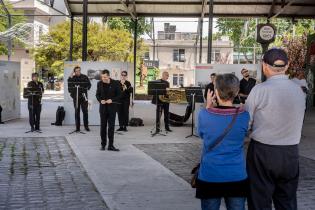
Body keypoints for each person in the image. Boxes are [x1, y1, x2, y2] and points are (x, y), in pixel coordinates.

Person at [245, 48, 305, 210]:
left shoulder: (259, 90)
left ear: (264, 66)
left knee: (259, 202)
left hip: (262, 152)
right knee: (287, 201)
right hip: (290, 153)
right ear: (287, 66)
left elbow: (245, 122)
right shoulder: (299, 91)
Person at [196, 74, 250, 210]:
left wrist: (208, 106)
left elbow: (202, 134)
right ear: (237, 91)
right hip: (236, 175)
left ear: (216, 92)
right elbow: (243, 134)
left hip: (210, 175)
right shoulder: (244, 115)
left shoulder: (204, 114)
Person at [96, 69, 122, 151]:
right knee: (103, 127)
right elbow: (97, 95)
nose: (103, 79)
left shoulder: (115, 83)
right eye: (102, 77)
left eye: (105, 77)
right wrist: (100, 100)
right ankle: (103, 145)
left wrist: (112, 100)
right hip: (103, 109)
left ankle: (111, 145)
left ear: (109, 76)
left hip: (112, 109)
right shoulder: (99, 83)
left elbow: (120, 95)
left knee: (111, 127)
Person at [68, 66, 91, 132]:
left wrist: (85, 88)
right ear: (74, 72)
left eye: (79, 70)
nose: (78, 72)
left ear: (80, 70)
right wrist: (73, 95)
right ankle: (77, 128)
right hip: (76, 98)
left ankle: (86, 127)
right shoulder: (73, 78)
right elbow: (69, 84)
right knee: (77, 112)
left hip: (84, 97)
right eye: (76, 71)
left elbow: (89, 85)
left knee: (85, 112)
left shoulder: (84, 77)